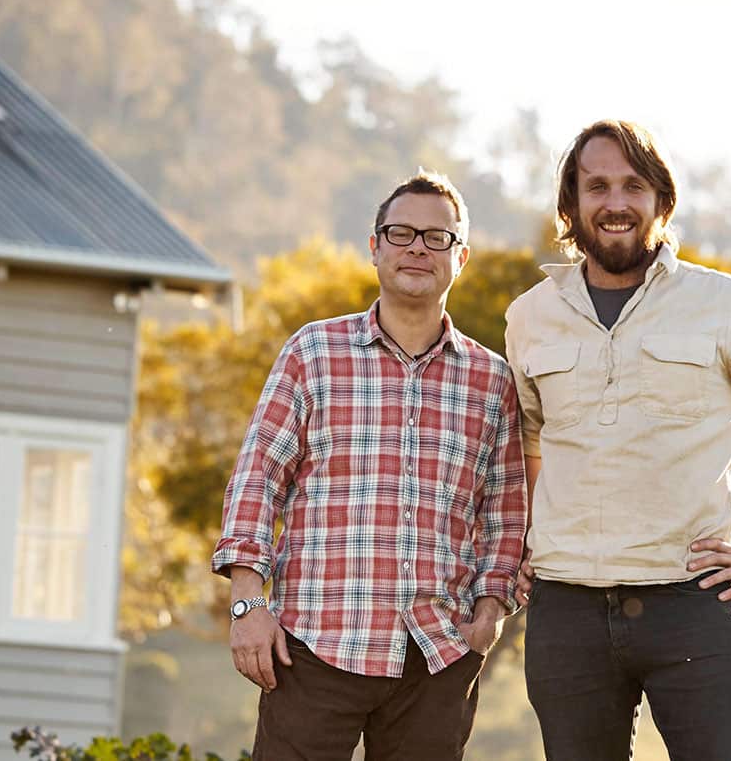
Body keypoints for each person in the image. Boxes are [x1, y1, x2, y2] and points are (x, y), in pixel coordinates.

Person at [504, 119, 731, 760]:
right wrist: (529, 540)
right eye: (597, 186)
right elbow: (532, 442)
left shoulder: (725, 305)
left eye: (634, 186)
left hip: (691, 601)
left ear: (661, 203)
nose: (615, 203)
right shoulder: (529, 316)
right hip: (566, 613)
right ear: (571, 206)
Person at [212, 171, 527, 760]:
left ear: (462, 257)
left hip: (437, 656)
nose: (417, 248)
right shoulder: (313, 353)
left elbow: (508, 511)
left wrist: (489, 612)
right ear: (374, 246)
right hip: (310, 648)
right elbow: (258, 479)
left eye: (437, 238)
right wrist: (248, 604)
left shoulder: (493, 381)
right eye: (401, 232)